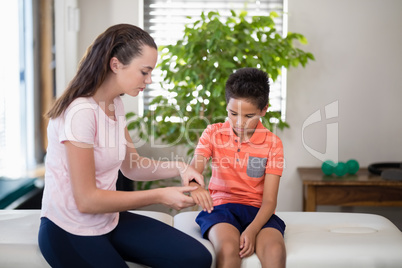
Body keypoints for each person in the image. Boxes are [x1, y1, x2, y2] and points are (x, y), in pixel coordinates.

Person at [38, 24, 212, 268]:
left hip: (107, 220)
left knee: (197, 258)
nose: (149, 80)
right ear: (116, 64)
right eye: (144, 72)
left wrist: (181, 168)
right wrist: (161, 194)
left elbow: (132, 166)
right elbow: (86, 200)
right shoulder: (80, 113)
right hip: (69, 230)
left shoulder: (114, 104)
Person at [189, 67, 286, 268]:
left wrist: (252, 230)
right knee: (227, 250)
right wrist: (195, 185)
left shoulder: (273, 143)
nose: (239, 123)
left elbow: (269, 200)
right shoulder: (213, 133)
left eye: (248, 116)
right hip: (221, 208)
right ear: (227, 107)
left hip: (258, 212)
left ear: (263, 110)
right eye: (233, 113)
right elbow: (194, 170)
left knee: (275, 251)